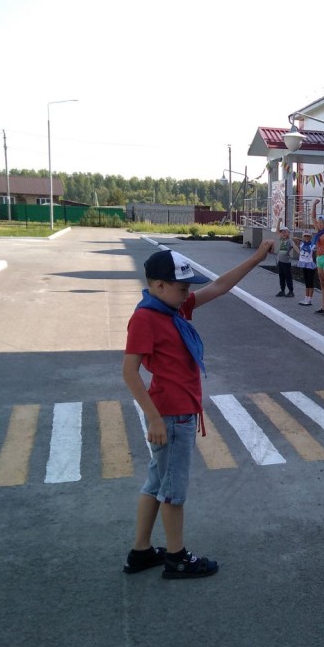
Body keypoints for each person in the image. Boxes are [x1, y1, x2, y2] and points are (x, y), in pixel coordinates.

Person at [122, 241, 274, 578]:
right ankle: (177, 558)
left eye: (188, 288)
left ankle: (141, 552)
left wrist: (256, 258)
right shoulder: (146, 318)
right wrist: (154, 418)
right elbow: (129, 372)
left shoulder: (174, 309)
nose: (187, 294)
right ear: (159, 286)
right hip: (171, 416)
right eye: (181, 288)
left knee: (156, 484)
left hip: (176, 413)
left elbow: (219, 286)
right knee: (173, 492)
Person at [293, 228, 317, 306]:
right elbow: (293, 238)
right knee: (306, 282)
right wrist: (301, 239)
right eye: (305, 236)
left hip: (310, 264)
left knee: (310, 282)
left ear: (311, 237)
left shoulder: (312, 245)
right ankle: (306, 298)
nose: (306, 237)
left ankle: (309, 299)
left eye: (308, 236)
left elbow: (315, 254)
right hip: (304, 264)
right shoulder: (302, 244)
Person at [273, 222, 295, 298]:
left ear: (288, 233)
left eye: (285, 232)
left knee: (288, 277)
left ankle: (291, 291)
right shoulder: (282, 239)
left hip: (286, 263)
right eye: (282, 232)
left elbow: (294, 246)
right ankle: (282, 290)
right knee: (281, 277)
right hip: (281, 262)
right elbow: (277, 231)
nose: (283, 233)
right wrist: (278, 222)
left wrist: (300, 254)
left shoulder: (290, 241)